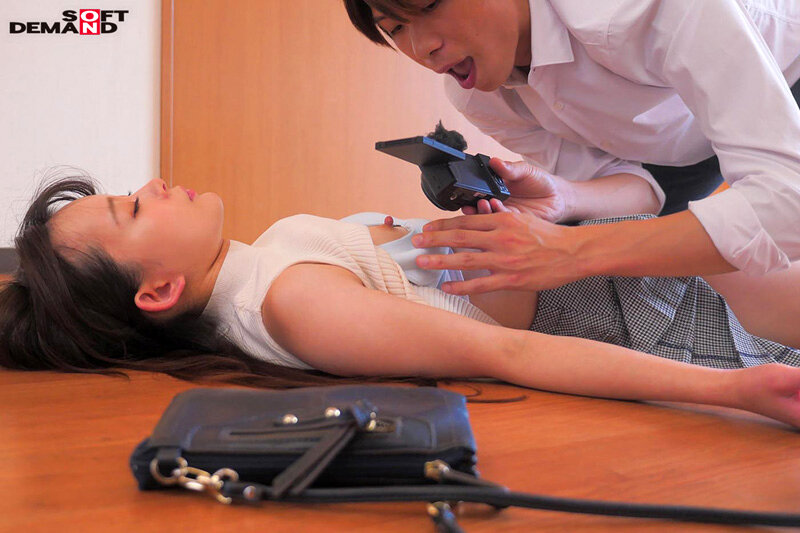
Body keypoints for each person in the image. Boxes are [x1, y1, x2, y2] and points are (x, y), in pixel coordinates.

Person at [2, 175, 800, 429]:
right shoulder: (293, 302)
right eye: (132, 210)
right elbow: (508, 352)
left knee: (744, 204)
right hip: (634, 310)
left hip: (612, 267)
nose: (151, 186)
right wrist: (731, 391)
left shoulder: (265, 260)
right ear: (159, 290)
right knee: (753, 203)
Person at [343, 0, 800, 296]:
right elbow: (638, 187)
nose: (422, 48)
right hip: (676, 139)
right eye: (395, 28)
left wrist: (573, 249)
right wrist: (566, 197)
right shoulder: (478, 94)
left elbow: (788, 204)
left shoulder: (639, 10)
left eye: (428, 4)